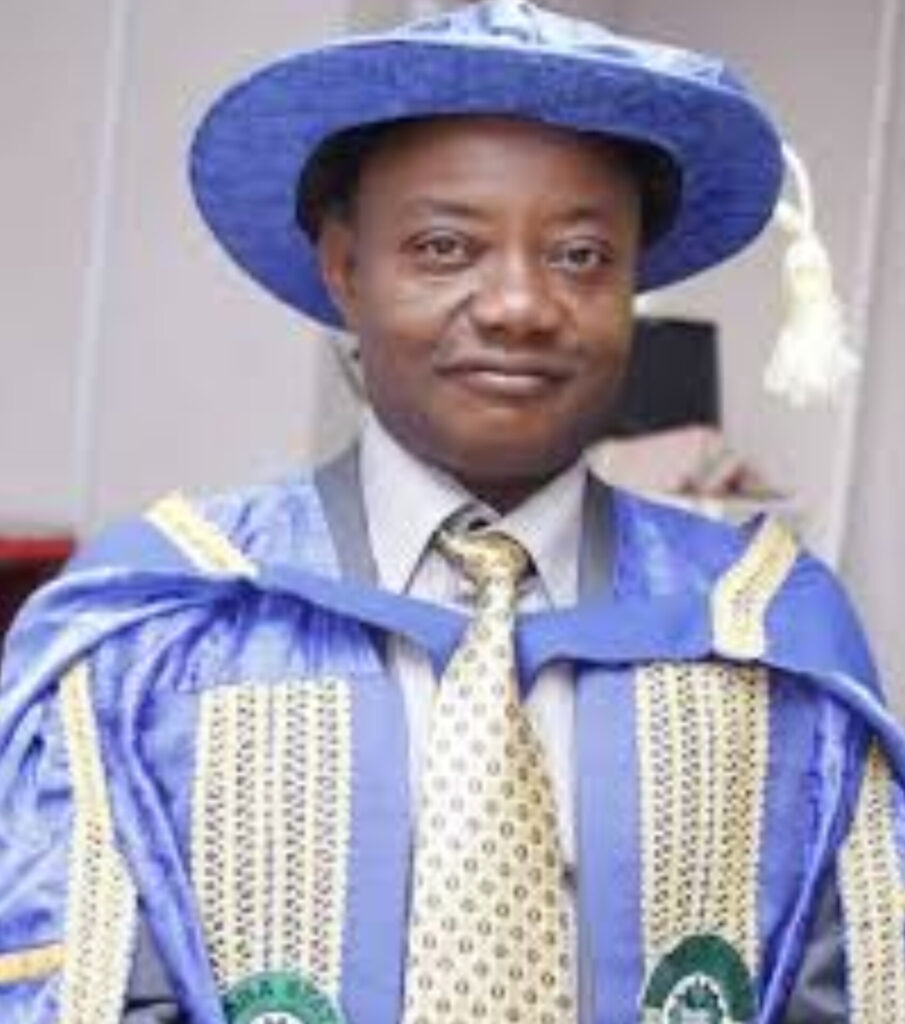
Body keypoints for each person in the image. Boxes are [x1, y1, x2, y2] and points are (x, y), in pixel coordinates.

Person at [0, 2, 903, 1022]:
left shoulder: (765, 635)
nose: (518, 304)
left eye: (579, 255)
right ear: (343, 268)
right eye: (442, 246)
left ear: (632, 284)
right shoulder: (155, 635)